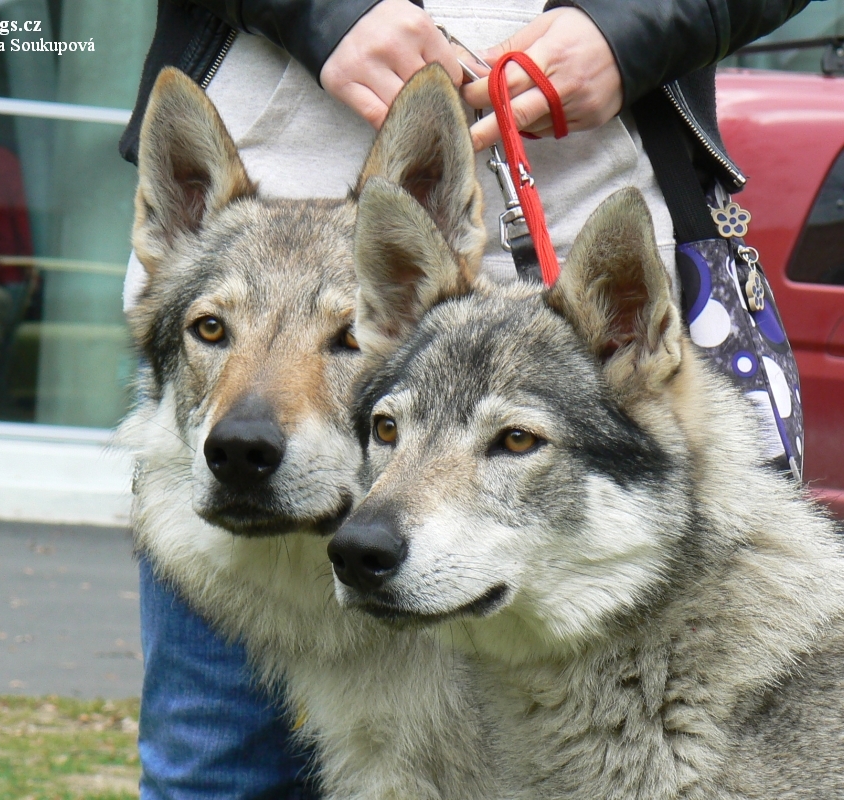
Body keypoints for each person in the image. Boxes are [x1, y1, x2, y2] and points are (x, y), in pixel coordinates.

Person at [120, 2, 817, 797]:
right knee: (219, 773)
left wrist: (634, 24)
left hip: (590, 253)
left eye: (347, 336)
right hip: (268, 153)